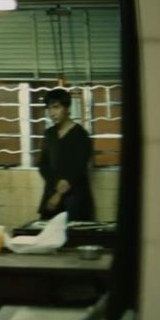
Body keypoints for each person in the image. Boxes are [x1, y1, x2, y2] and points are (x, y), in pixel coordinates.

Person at [38, 88, 95, 221]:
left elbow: (78, 169)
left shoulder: (81, 135)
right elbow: (43, 165)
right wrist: (55, 185)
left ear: (67, 108)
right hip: (51, 195)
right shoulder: (49, 134)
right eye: (49, 108)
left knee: (73, 231)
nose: (52, 113)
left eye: (56, 107)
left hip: (75, 199)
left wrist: (59, 193)